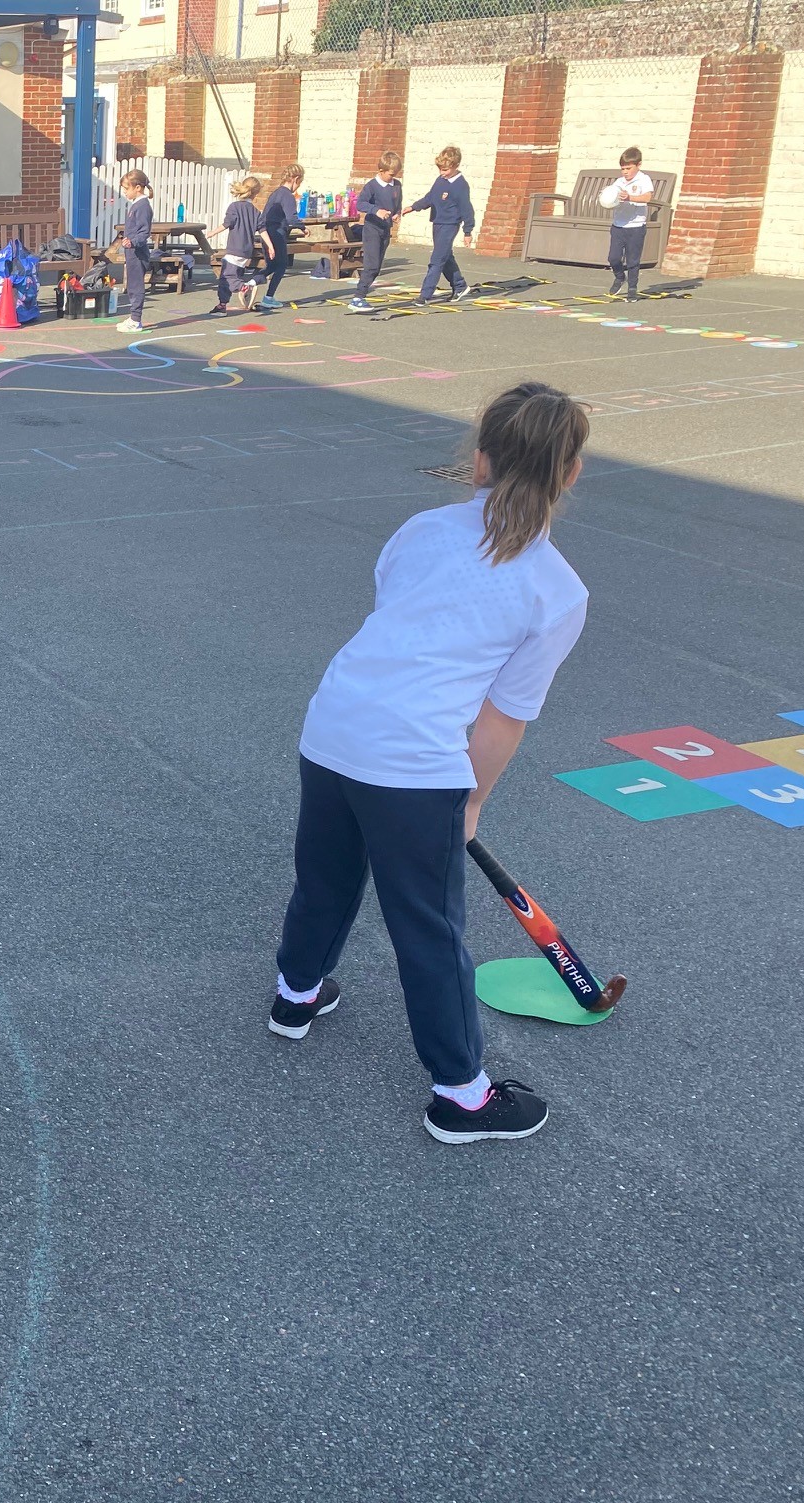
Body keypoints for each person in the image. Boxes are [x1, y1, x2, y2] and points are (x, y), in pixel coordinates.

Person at [266, 382, 593, 1145]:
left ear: (478, 460)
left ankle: (295, 995)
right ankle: (461, 1096)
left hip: (334, 726)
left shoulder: (422, 529)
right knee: (429, 927)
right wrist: (471, 800)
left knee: (326, 876)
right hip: (413, 762)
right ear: (569, 473)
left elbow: (395, 617)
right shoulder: (558, 590)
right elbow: (504, 715)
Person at [408, 145, 475, 304]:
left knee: (437, 259)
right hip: (437, 222)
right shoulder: (440, 180)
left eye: (445, 170)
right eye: (440, 169)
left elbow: (467, 209)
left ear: (455, 166)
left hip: (450, 224)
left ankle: (424, 295)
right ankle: (460, 285)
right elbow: (430, 198)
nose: (442, 173)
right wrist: (412, 207)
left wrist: (468, 231)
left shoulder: (460, 185)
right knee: (445, 256)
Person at [346, 151, 403, 313]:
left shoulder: (397, 185)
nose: (393, 177)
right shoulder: (372, 186)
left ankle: (360, 295)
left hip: (386, 229)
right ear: (381, 171)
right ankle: (358, 297)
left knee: (377, 267)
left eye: (396, 174)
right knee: (371, 265)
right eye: (390, 174)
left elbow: (397, 203)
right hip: (372, 229)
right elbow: (360, 204)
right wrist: (376, 210)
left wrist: (397, 213)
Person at [210, 175, 273, 316]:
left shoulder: (234, 207)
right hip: (246, 251)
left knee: (226, 277)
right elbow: (262, 230)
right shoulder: (256, 212)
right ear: (256, 193)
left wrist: (212, 233)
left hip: (234, 248)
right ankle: (222, 305)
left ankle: (244, 287)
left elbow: (227, 224)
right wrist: (270, 246)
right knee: (231, 276)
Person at [599, 147, 654, 300]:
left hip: (636, 226)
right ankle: (619, 276)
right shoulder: (619, 182)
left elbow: (647, 197)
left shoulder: (644, 179)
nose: (625, 172)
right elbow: (611, 197)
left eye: (628, 168)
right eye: (623, 168)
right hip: (619, 225)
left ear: (638, 165)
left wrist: (630, 197)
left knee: (633, 260)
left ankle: (632, 288)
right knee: (613, 258)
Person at [115, 168, 154, 334]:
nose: (125, 192)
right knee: (131, 285)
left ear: (138, 187)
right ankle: (133, 317)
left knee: (136, 286)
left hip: (138, 252)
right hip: (132, 252)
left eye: (126, 189)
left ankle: (136, 320)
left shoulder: (143, 206)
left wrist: (133, 242)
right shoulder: (136, 205)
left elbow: (144, 232)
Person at [260, 165, 304, 310]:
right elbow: (292, 218)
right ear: (295, 179)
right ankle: (268, 297)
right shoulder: (287, 196)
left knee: (271, 265)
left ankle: (250, 283)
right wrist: (303, 227)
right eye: (299, 183)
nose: (297, 187)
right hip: (277, 232)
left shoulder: (276, 193)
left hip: (265, 232)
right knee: (281, 265)